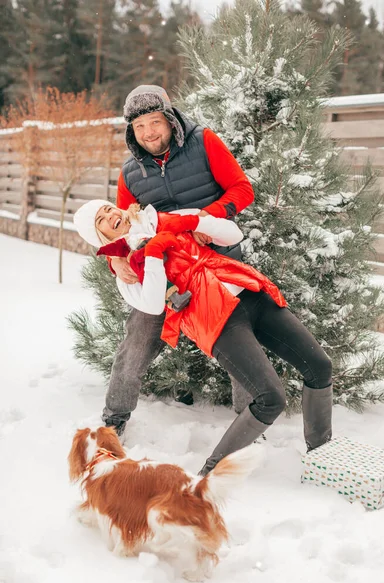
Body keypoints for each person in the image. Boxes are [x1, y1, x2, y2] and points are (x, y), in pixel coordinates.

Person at [74, 200, 333, 476]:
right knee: (270, 398)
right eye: (101, 219)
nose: (110, 214)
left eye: (108, 208)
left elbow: (233, 234)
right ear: (100, 236)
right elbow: (151, 305)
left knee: (319, 367)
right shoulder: (125, 268)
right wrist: (152, 253)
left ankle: (321, 459)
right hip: (217, 320)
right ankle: (207, 478)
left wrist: (190, 222)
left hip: (250, 293)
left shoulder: (163, 219)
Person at [98, 84, 255, 437]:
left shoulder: (203, 143)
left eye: (154, 122)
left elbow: (242, 190)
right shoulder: (130, 172)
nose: (148, 133)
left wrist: (204, 221)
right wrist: (116, 262)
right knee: (136, 343)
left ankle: (251, 423)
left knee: (239, 343)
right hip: (162, 273)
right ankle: (113, 421)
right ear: (131, 131)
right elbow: (124, 229)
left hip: (214, 260)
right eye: (139, 127)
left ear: (170, 119)